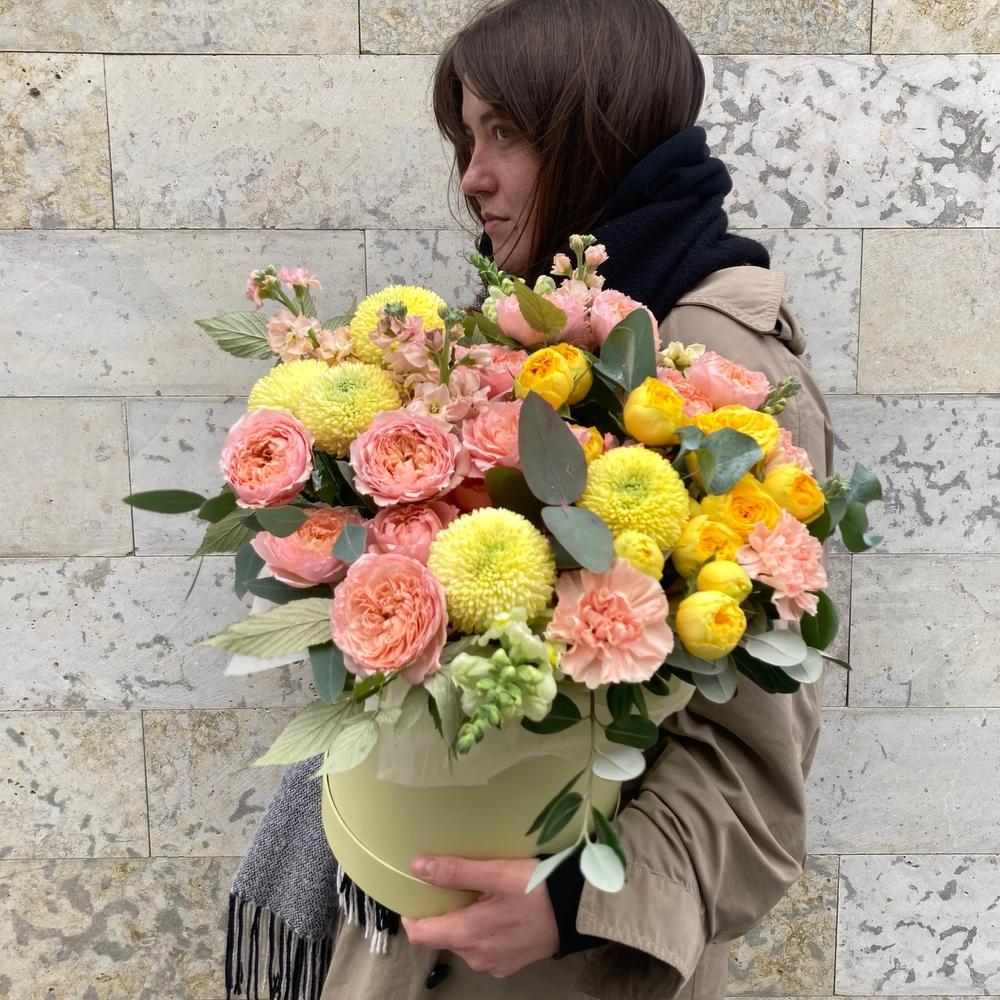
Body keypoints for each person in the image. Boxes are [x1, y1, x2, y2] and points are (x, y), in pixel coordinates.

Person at [312, 1, 834, 998]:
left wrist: (570, 904)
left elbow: (756, 759)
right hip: (433, 917)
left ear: (600, 135)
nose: (472, 176)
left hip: (557, 965)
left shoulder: (717, 361)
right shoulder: (530, 325)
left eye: (505, 134)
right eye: (468, 138)